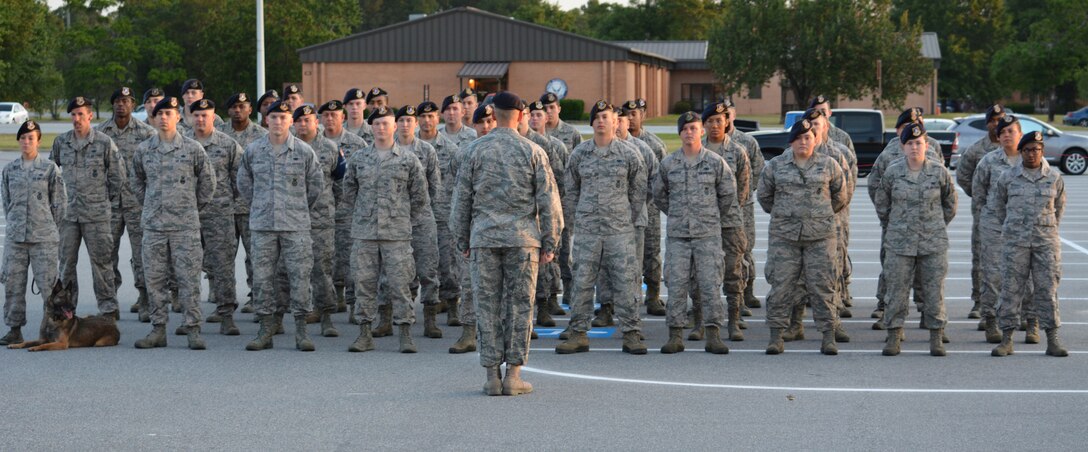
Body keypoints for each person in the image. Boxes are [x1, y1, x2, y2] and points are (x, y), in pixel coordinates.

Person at [450, 92, 562, 395]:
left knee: (486, 306)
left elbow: (461, 201)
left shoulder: (473, 151)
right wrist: (550, 243)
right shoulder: (533, 151)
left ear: (494, 114)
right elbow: (549, 202)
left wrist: (462, 239)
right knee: (519, 307)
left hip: (484, 240)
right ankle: (513, 375)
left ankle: (491, 376)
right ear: (521, 116)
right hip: (522, 241)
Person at [555, 100, 647, 355]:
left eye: (606, 117)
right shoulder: (580, 154)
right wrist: (580, 218)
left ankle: (631, 333)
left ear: (615, 122)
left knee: (626, 282)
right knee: (582, 281)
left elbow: (639, 191)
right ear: (592, 123)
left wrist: (625, 217)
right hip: (588, 230)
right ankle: (578, 333)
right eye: (596, 117)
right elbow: (571, 190)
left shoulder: (629, 154)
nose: (601, 121)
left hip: (619, 230)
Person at [340, 106, 431, 354]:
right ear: (371, 127)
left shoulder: (408, 160)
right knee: (364, 284)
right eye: (377, 123)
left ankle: (405, 334)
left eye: (386, 123)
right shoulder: (359, 159)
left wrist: (402, 219)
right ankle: (364, 334)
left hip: (397, 234)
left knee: (401, 285)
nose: (381, 128)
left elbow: (420, 197)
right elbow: (349, 194)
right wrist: (361, 219)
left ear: (394, 126)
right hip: (365, 234)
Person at [237, 100, 324, 352]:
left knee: (300, 277)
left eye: (283, 117)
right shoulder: (253, 150)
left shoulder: (304, 152)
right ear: (266, 120)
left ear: (291, 121)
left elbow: (315, 186)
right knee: (263, 279)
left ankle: (302, 331)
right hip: (263, 225)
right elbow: (244, 183)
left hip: (295, 226)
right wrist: (261, 205)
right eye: (273, 117)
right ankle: (266, 329)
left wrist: (296, 208)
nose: (278, 122)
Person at [131, 97, 216, 350]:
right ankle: (158, 329)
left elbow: (208, 182)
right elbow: (136, 182)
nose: (164, 118)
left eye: (169, 113)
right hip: (154, 227)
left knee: (188, 280)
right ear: (154, 118)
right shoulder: (144, 150)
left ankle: (193, 329)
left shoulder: (192, 149)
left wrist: (191, 208)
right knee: (155, 280)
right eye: (160, 114)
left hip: (185, 227)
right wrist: (151, 205)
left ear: (178, 117)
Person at [758, 118, 847, 355]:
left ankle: (828, 336)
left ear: (815, 139)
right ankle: (776, 336)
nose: (803, 142)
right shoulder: (775, 166)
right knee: (781, 286)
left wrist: (818, 216)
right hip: (784, 237)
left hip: (820, 237)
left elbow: (840, 196)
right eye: (798, 138)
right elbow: (765, 197)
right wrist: (786, 216)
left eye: (807, 137)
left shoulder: (829, 165)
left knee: (823, 286)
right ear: (791, 141)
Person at [653, 112, 736, 354]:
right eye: (685, 128)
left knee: (710, 285)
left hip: (707, 235)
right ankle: (675, 335)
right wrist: (679, 215)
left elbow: (727, 195)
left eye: (693, 128)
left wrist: (708, 217)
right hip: (678, 236)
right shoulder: (668, 164)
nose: (689, 132)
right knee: (676, 285)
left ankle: (713, 335)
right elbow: (659, 195)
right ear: (680, 133)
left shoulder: (715, 163)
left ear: (701, 131)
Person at [874, 123, 957, 356]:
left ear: (926, 145)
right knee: (896, 291)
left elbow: (950, 204)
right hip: (899, 244)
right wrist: (897, 225)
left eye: (918, 143)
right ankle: (894, 336)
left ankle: (936, 337)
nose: (914, 147)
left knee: (934, 291)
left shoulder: (939, 172)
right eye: (909, 143)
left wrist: (934, 225)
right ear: (902, 146)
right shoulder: (893, 172)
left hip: (932, 243)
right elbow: (882, 204)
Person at [990, 131, 1067, 357]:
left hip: (1046, 243)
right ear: (1021, 152)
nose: (1032, 154)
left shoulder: (1054, 177)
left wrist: (1045, 229)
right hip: (1015, 243)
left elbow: (1059, 208)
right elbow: (999, 207)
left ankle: (1052, 339)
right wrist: (1014, 228)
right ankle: (1007, 339)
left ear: (1042, 151)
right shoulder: (1007, 177)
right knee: (1010, 290)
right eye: (1027, 150)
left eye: (1036, 149)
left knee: (1047, 290)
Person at [50, 96, 126, 319]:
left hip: (97, 215)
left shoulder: (104, 142)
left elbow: (118, 177)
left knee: (102, 263)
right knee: (66, 265)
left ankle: (108, 309)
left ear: (90, 116)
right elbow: (51, 174)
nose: (77, 119)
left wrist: (103, 201)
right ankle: (67, 310)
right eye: (73, 114)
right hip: (68, 216)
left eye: (81, 114)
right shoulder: (61, 142)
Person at [867, 107, 943, 322]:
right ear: (898, 130)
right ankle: (885, 305)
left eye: (917, 125)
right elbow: (875, 185)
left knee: (925, 268)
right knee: (892, 264)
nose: (912, 129)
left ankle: (925, 308)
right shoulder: (889, 152)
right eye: (907, 126)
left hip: (926, 224)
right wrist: (889, 216)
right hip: (896, 223)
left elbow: (943, 187)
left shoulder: (932, 149)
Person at [0, 120, 66, 346]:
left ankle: (50, 330)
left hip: (43, 238)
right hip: (16, 238)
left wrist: (49, 228)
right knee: (13, 285)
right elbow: (7, 202)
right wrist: (16, 224)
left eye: (31, 138)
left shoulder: (49, 169)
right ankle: (14, 329)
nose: (26, 142)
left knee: (48, 286)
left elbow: (59, 205)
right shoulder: (10, 170)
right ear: (18, 141)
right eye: (23, 138)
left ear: (38, 141)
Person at [975, 115, 1037, 344]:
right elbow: (978, 193)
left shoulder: (1031, 159)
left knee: (1028, 277)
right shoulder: (989, 161)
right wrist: (988, 217)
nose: (1007, 135)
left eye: (1011, 131)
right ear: (998, 137)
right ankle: (991, 321)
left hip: (1024, 228)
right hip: (995, 227)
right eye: (1003, 132)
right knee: (992, 275)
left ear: (1020, 134)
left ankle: (1031, 321)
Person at [186, 99, 244, 336]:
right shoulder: (182, 144)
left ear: (214, 117)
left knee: (222, 266)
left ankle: (226, 315)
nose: (200, 119)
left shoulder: (228, 145)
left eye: (205, 115)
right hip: (187, 215)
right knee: (187, 267)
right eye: (197, 115)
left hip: (219, 214)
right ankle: (190, 317)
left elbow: (241, 180)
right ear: (190, 117)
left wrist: (226, 201)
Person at [96, 87, 155, 320]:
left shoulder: (146, 133)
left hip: (137, 204)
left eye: (126, 101)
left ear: (132, 104)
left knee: (142, 253)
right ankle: (110, 304)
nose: (122, 104)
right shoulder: (100, 133)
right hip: (109, 204)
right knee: (107, 255)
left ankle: (145, 299)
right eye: (118, 101)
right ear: (112, 104)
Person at [446, 104, 498, 354]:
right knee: (469, 283)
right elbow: (457, 196)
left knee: (501, 284)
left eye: (490, 122)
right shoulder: (464, 154)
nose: (486, 127)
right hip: (474, 229)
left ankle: (498, 331)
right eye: (481, 123)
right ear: (474, 125)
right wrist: (460, 234)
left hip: (502, 230)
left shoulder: (507, 151)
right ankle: (468, 332)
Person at [389, 104, 443, 339]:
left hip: (422, 220)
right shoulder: (388, 149)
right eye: (401, 120)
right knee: (395, 273)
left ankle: (430, 320)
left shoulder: (427, 151)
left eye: (409, 120)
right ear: (395, 124)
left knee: (428, 270)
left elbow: (435, 186)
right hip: (395, 221)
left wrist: (425, 212)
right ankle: (392, 318)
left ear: (415, 123)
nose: (405, 124)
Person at [700, 101, 750, 342]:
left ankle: (734, 320)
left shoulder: (737, 152)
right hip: (702, 224)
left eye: (719, 121)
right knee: (702, 274)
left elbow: (743, 189)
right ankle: (702, 322)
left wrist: (726, 212)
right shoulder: (696, 149)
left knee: (733, 272)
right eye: (710, 121)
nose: (714, 125)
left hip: (730, 224)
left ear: (727, 122)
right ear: (704, 125)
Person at [292, 104, 340, 338]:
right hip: (292, 219)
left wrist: (332, 208)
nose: (303, 124)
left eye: (307, 120)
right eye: (299, 120)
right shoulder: (288, 147)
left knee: (322, 269)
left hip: (321, 219)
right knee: (294, 270)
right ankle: (300, 312)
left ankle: (326, 315)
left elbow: (341, 183)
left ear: (316, 122)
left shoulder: (330, 148)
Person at [219, 92, 269, 315]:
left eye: (242, 106)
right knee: (223, 258)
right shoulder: (219, 134)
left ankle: (257, 299)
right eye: (234, 107)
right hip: (224, 208)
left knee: (256, 256)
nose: (238, 110)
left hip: (252, 207)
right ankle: (225, 302)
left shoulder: (263, 136)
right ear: (228, 110)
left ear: (250, 109)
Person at [955, 104, 1005, 321]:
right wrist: (979, 196)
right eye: (993, 120)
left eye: (1000, 119)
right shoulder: (976, 150)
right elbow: (963, 176)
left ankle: (1011, 304)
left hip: (1011, 216)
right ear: (987, 124)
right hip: (984, 215)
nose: (996, 124)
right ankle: (979, 301)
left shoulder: (1016, 148)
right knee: (981, 259)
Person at [320, 99, 368, 316]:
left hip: (349, 212)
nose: (330, 118)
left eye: (334, 114)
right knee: (325, 258)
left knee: (351, 258)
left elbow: (365, 178)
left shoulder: (357, 144)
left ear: (342, 117)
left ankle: (353, 302)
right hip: (321, 212)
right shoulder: (314, 143)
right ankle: (333, 299)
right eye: (326, 115)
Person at [418, 100, 463, 326]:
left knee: (448, 263)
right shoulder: (407, 147)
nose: (427, 121)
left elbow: (460, 184)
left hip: (444, 214)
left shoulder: (451, 149)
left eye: (431, 116)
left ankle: (452, 305)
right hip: (416, 216)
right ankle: (428, 306)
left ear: (438, 118)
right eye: (423, 117)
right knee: (422, 264)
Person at [529, 100, 571, 319]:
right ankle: (538, 303)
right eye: (531, 114)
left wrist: (557, 210)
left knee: (551, 258)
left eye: (539, 114)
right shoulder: (521, 143)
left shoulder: (552, 145)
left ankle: (550, 299)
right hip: (528, 213)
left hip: (548, 209)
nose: (534, 118)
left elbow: (561, 181)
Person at [724, 100, 765, 313]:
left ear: (733, 115)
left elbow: (758, 169)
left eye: (728, 113)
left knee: (745, 249)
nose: (724, 118)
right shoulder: (704, 143)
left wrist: (746, 193)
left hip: (743, 207)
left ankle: (747, 291)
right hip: (716, 210)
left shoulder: (747, 142)